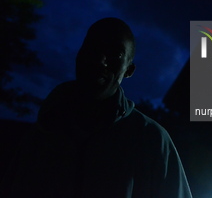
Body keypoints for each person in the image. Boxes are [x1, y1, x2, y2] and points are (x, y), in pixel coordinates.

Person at [2, 18, 192, 198]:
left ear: (129, 70)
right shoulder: (40, 136)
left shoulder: (152, 141)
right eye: (93, 48)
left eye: (115, 54)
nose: (100, 60)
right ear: (79, 54)